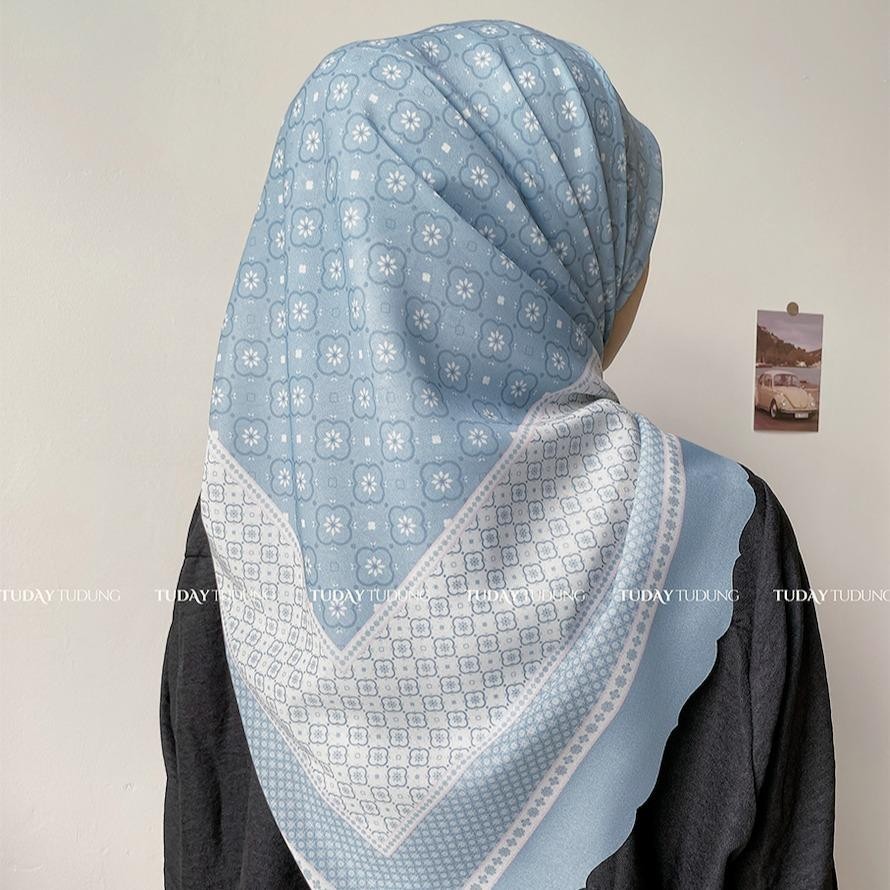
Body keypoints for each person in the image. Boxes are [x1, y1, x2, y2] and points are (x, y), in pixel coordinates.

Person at [160, 20, 836, 889]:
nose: (634, 270)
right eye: (616, 227)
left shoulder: (240, 534)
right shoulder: (723, 529)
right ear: (531, 253)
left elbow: (205, 842)